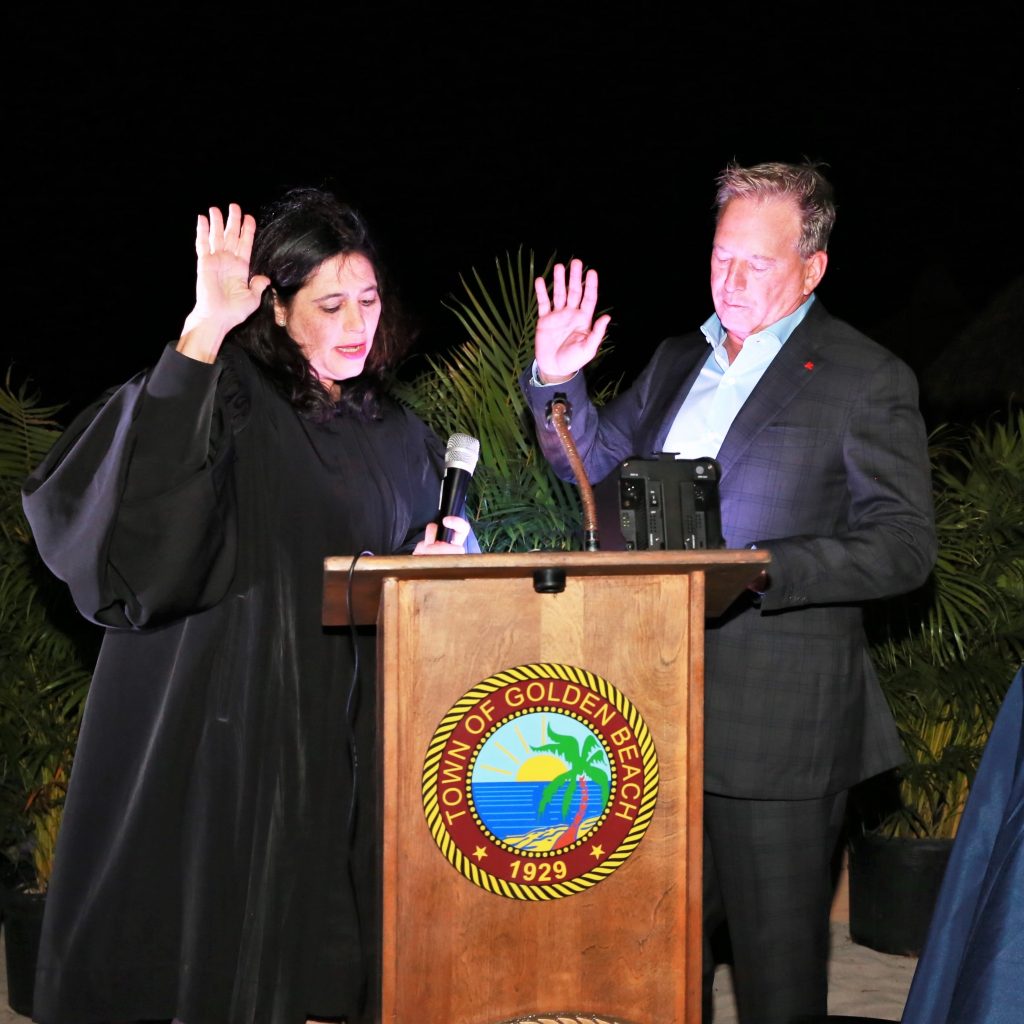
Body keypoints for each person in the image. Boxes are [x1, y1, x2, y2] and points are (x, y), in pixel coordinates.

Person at [22, 188, 472, 1024]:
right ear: (277, 308)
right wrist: (202, 331)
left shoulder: (394, 428)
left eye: (368, 300)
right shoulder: (226, 394)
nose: (357, 323)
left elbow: (398, 552)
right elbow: (144, 516)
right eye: (330, 305)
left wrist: (431, 562)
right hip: (228, 722)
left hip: (343, 731)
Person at [519, 161, 937, 1024]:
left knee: (775, 983)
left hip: (778, 731)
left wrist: (759, 565)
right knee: (656, 969)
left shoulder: (865, 376)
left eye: (758, 263)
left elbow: (903, 547)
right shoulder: (679, 359)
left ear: (813, 268)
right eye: (720, 257)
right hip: (647, 712)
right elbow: (589, 471)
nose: (731, 280)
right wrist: (557, 382)